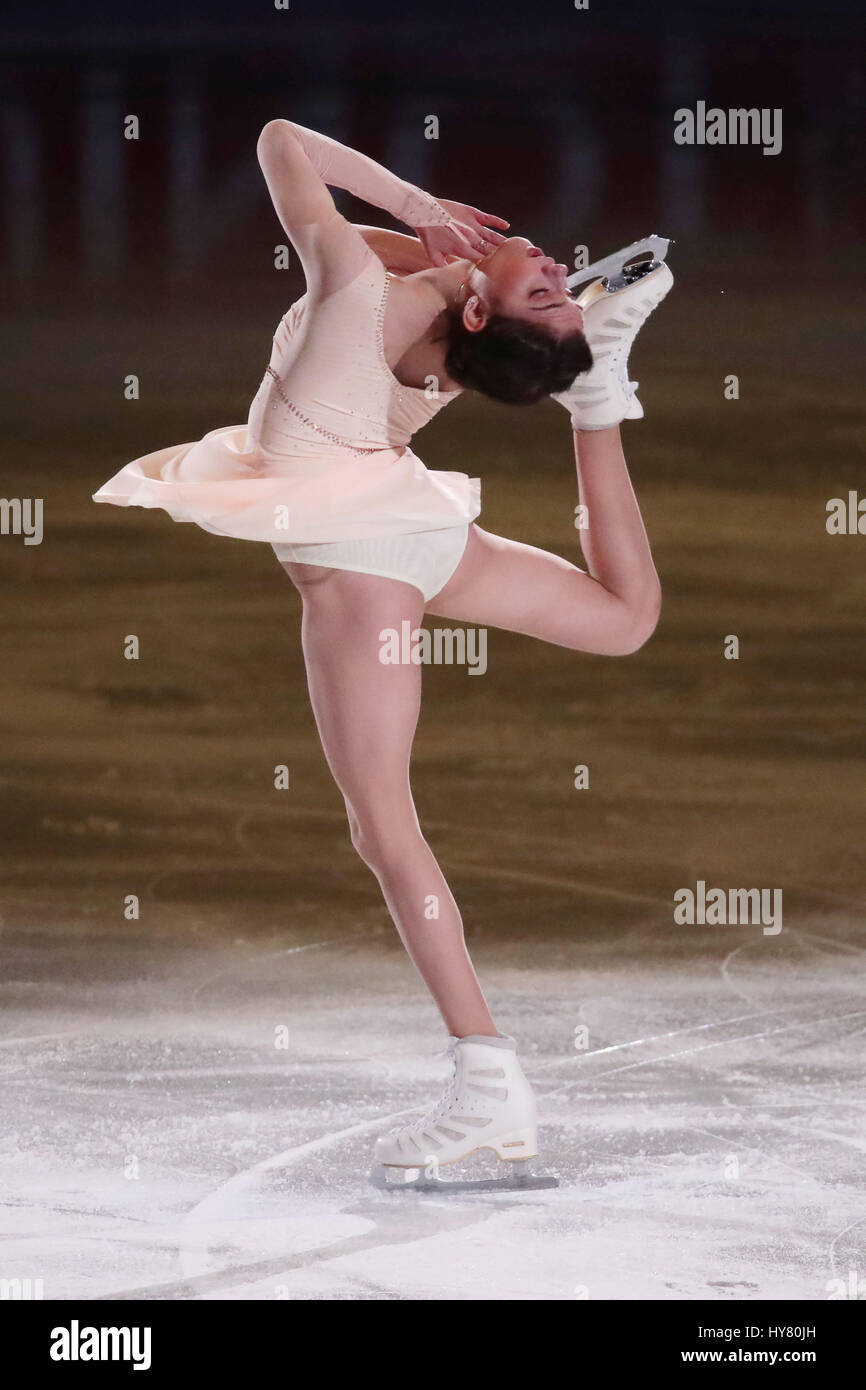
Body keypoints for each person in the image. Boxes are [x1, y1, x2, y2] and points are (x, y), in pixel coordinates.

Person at [93, 119, 671, 1186]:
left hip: (365, 569)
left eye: (545, 285)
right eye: (551, 283)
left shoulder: (359, 288)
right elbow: (484, 293)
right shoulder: (454, 308)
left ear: (472, 314)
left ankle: (486, 1089)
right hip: (409, 524)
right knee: (625, 617)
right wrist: (551, 317)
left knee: (383, 827)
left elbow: (275, 143)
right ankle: (596, 401)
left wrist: (412, 204)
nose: (551, 264)